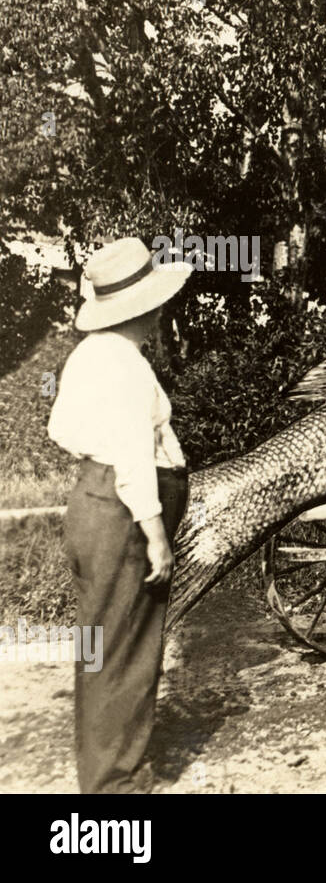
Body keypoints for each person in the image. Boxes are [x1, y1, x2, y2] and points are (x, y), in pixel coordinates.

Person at [48, 236, 192, 793]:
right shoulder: (126, 368)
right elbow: (134, 458)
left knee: (101, 644)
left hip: (94, 500)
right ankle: (116, 789)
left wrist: (100, 465)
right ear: (148, 308)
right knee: (128, 650)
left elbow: (60, 429)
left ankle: (102, 772)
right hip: (125, 513)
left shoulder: (89, 356)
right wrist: (156, 535)